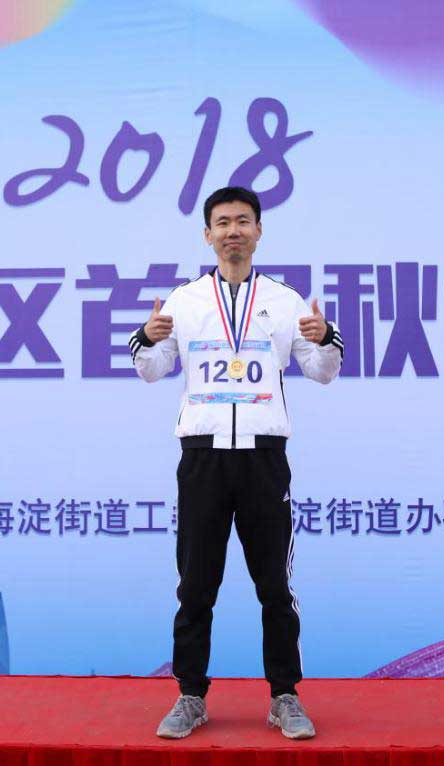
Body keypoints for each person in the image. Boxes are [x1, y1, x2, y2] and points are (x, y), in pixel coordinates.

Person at [130, 187, 343, 740]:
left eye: (243, 221)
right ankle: (190, 696)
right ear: (207, 235)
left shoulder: (286, 300)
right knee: (196, 584)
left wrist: (326, 337)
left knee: (274, 585)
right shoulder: (183, 301)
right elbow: (152, 369)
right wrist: (145, 338)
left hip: (263, 457)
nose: (233, 231)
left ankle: (285, 696)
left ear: (258, 231)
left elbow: (322, 371)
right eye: (222, 222)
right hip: (202, 457)